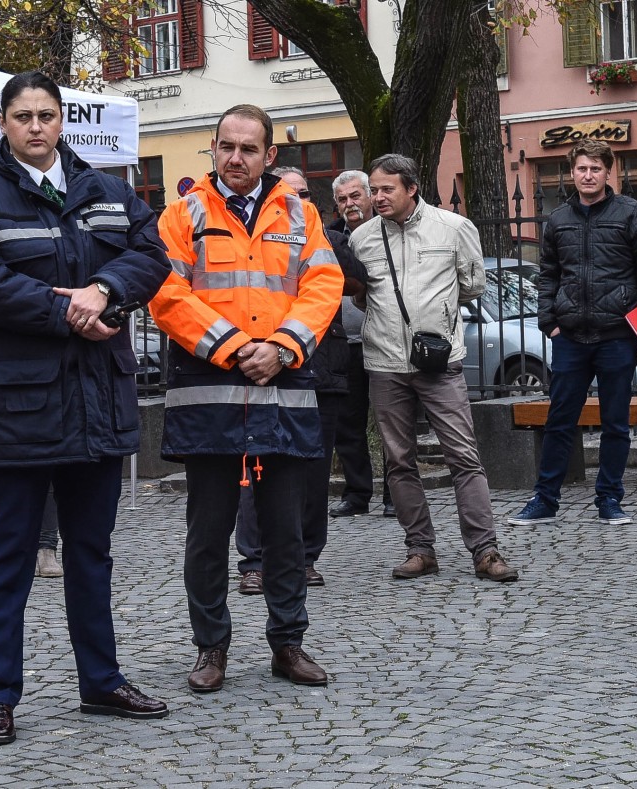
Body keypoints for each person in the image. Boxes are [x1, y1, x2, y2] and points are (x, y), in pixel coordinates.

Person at [0, 70, 171, 746]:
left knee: (91, 551)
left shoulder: (106, 190)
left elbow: (152, 253)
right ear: (4, 123)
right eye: (23, 116)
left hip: (97, 397)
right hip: (19, 405)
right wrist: (66, 309)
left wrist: (103, 289)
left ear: (62, 119)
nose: (36, 126)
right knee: (9, 554)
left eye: (47, 114)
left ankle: (100, 681)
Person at [150, 104, 342, 694]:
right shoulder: (181, 215)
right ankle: (211, 648)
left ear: (269, 155)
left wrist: (283, 347)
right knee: (208, 531)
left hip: (283, 386)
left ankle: (288, 642)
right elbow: (165, 292)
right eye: (226, 147)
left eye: (248, 149)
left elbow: (323, 284)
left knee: (285, 530)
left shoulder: (301, 213)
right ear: (213, 148)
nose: (235, 159)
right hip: (212, 391)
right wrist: (235, 346)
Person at [349, 154, 518, 582]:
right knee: (399, 460)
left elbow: (472, 284)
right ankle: (420, 548)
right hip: (384, 361)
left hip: (439, 361)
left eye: (387, 188)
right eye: (374, 188)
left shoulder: (454, 228)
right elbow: (358, 294)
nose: (378, 196)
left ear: (412, 188)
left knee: (464, 456)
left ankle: (485, 549)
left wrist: (436, 316)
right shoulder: (363, 237)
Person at [235, 166, 361, 594]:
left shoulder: (326, 235)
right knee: (252, 470)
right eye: (288, 193)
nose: (297, 200)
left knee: (312, 473)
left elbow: (354, 278)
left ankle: (305, 558)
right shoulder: (253, 235)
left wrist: (314, 230)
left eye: (305, 193)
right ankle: (253, 562)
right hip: (258, 367)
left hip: (321, 371)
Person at [508, 140, 637, 527]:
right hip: (569, 335)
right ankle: (545, 499)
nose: (588, 175)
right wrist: (548, 321)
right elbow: (548, 273)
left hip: (617, 334)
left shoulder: (631, 214)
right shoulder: (558, 219)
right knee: (560, 419)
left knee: (615, 422)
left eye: (596, 169)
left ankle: (610, 499)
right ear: (572, 172)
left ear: (608, 172)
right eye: (581, 168)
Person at [326, 170, 394, 519]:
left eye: (355, 196)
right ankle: (357, 493)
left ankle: (395, 495)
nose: (350, 204)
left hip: (383, 340)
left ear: (370, 196)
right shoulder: (330, 238)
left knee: (390, 422)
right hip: (346, 344)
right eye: (342, 199)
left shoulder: (387, 233)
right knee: (347, 424)